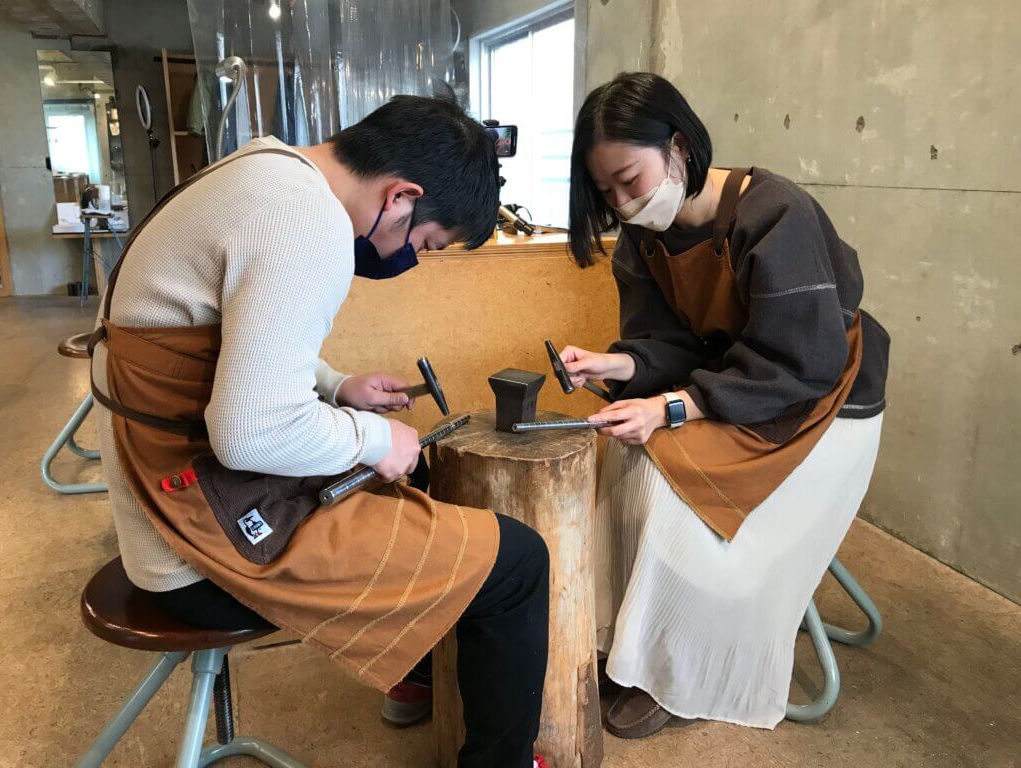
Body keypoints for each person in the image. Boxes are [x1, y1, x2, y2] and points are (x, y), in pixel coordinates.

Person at [91, 93, 549, 768]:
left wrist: (336, 388)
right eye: (425, 242)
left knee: (417, 468)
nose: (411, 257)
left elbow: (226, 333)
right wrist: (372, 438)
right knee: (518, 563)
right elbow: (247, 434)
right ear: (401, 197)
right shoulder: (307, 221)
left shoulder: (264, 167)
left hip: (162, 488)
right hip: (188, 547)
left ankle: (416, 671)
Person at [561, 72, 890, 736]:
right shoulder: (643, 238)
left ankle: (681, 671)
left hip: (821, 395)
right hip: (734, 386)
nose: (624, 204)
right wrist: (617, 364)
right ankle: (633, 645)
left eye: (629, 180)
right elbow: (672, 346)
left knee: (668, 484)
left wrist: (673, 408)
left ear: (679, 147)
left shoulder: (775, 213)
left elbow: (800, 362)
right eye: (606, 193)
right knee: (628, 456)